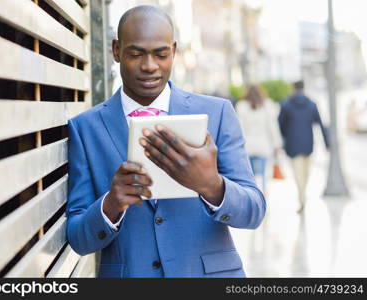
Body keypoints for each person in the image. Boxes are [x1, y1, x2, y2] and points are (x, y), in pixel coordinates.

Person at [66, 5, 265, 278]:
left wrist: (212, 185)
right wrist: (111, 204)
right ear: (115, 50)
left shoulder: (217, 114)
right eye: (136, 54)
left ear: (173, 51)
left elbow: (254, 211)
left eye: (160, 54)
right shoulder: (85, 128)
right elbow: (77, 237)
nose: (149, 66)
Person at [278, 80, 329, 213]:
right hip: (308, 144)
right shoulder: (312, 105)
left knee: (298, 174)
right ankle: (303, 197)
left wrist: (285, 138)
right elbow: (321, 124)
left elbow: (281, 125)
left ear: (294, 88)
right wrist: (327, 143)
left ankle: (302, 198)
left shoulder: (286, 104)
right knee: (305, 174)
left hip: (292, 144)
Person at [236, 85, 282, 195]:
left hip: (247, 146)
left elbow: (239, 128)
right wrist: (277, 144)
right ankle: (262, 194)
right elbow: (272, 127)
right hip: (263, 146)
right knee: (263, 173)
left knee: (249, 175)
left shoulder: (241, 106)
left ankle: (252, 195)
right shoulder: (267, 106)